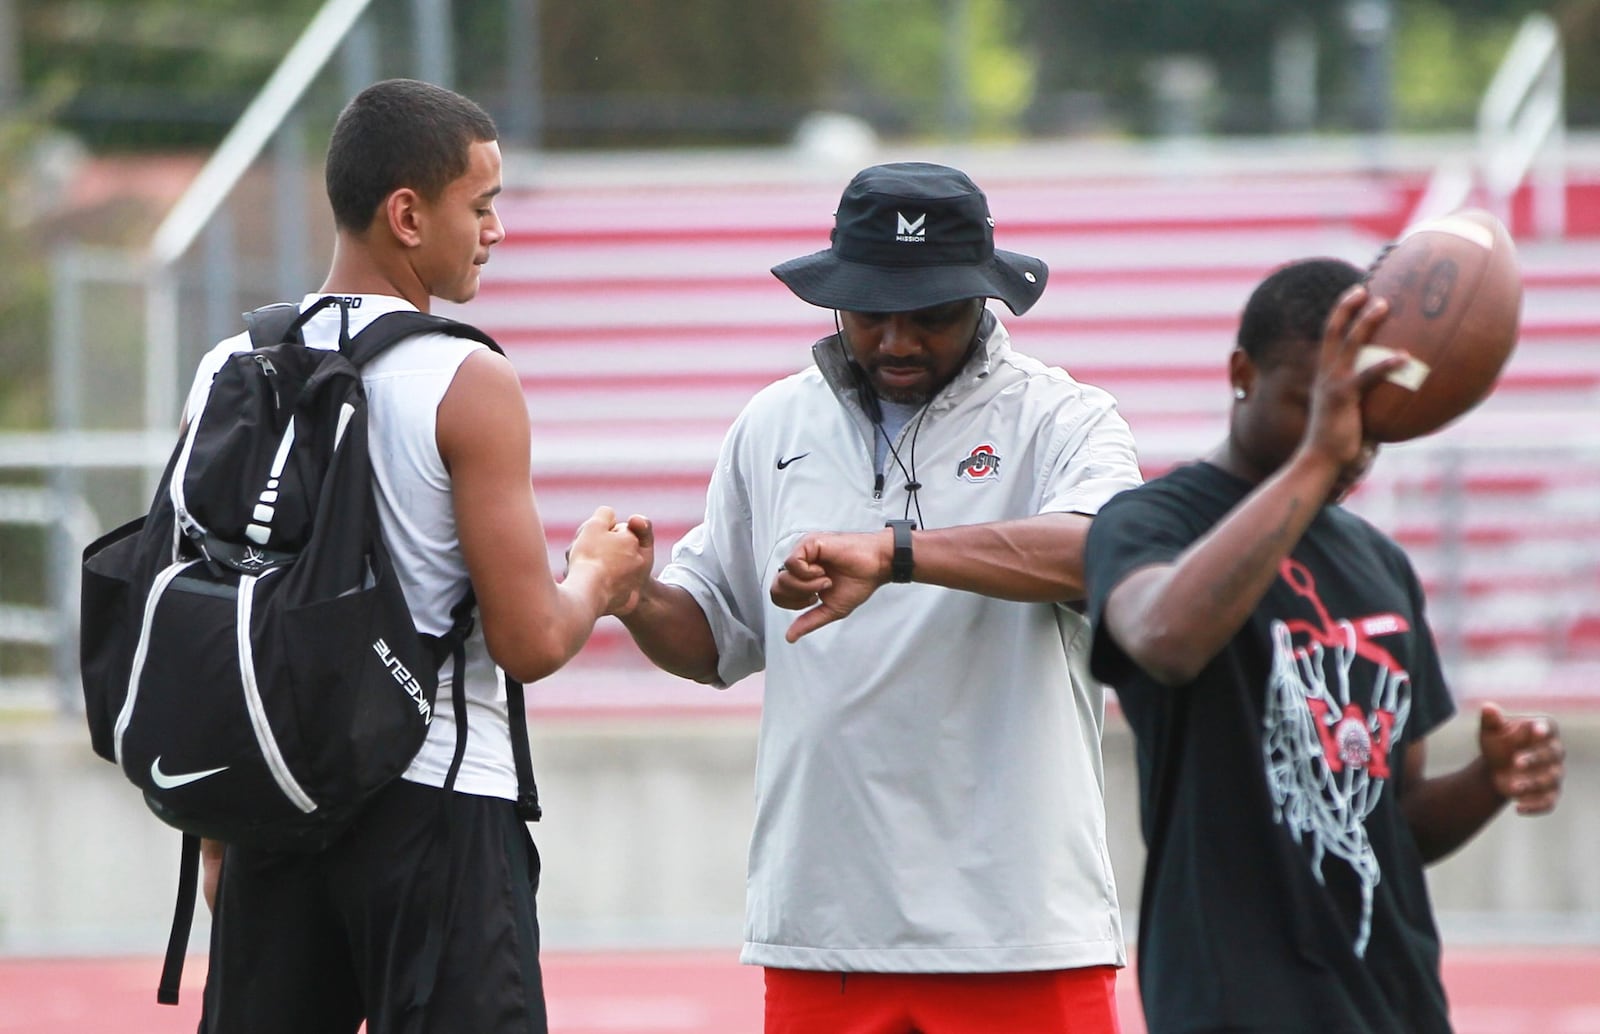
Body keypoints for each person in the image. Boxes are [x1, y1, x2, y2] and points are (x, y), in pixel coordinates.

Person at [616, 162, 1141, 1033]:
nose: (897, 341)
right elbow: (712, 639)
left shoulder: (1063, 419)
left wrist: (898, 553)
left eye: (930, 314)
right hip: (822, 931)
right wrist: (632, 598)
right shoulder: (772, 425)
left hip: (1017, 929)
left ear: (983, 300)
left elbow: (1101, 552)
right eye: (869, 313)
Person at [186, 79, 650, 1034]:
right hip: (438, 804)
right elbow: (528, 641)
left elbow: (212, 605)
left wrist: (218, 820)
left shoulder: (228, 366)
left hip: (271, 802)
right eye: (480, 206)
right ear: (407, 214)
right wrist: (599, 576)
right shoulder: (465, 377)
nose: (495, 230)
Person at [1083, 257, 1567, 1033]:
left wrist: (1489, 779)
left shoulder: (1381, 564)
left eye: (1366, 406)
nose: (1350, 431)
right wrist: (1318, 456)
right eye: (1315, 400)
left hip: (1394, 1003)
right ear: (1243, 373)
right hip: (1234, 1004)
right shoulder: (1149, 523)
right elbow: (1165, 639)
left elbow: (1394, 817)